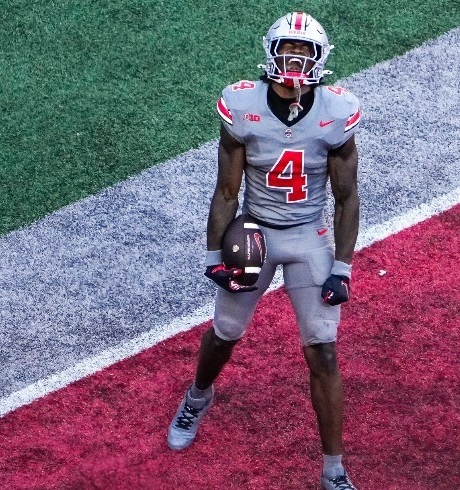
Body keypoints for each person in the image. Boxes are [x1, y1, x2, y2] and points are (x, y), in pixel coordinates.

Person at [167, 12, 361, 490]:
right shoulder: (242, 104)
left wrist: (342, 266)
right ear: (270, 53)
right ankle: (198, 395)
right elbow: (227, 190)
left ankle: (333, 470)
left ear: (321, 58)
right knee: (225, 332)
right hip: (254, 231)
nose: (296, 58)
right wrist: (214, 254)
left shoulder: (336, 111)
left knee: (325, 354)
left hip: (307, 237)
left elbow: (347, 196)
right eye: (288, 49)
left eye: (306, 51)